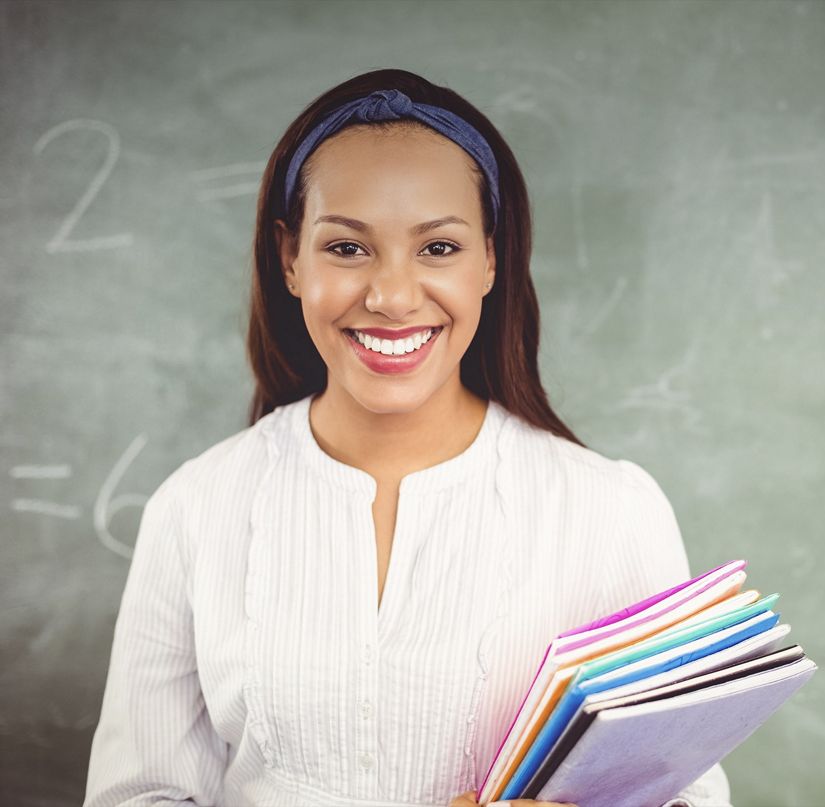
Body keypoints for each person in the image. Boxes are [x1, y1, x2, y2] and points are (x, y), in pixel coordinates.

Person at [84, 69, 732, 807]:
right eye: (348, 249)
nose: (392, 298)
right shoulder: (197, 507)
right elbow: (134, 795)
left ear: (491, 256)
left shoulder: (612, 510)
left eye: (439, 249)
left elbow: (687, 796)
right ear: (291, 257)